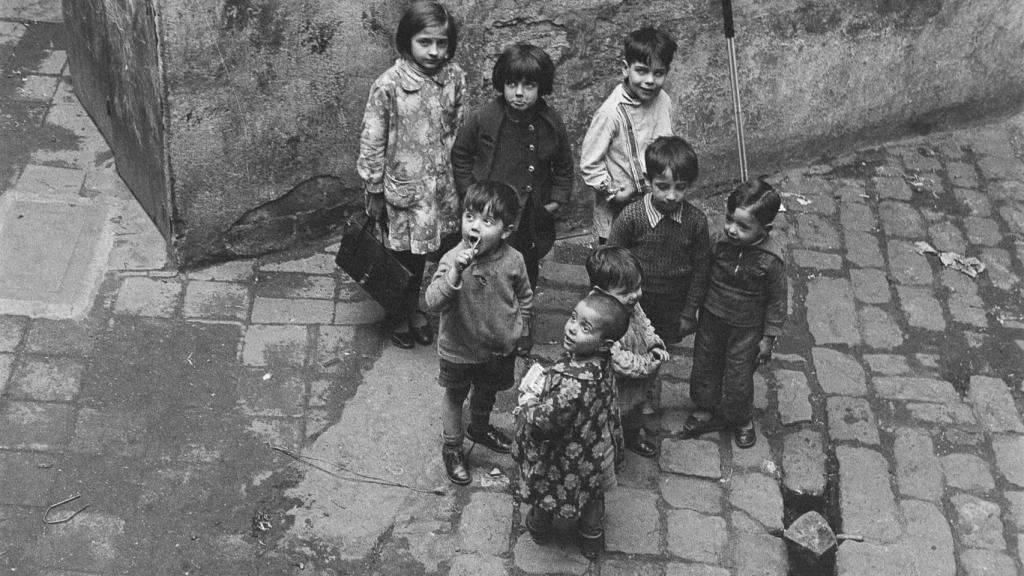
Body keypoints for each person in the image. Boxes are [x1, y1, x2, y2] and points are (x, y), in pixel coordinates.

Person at [357, 1, 465, 350]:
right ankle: (398, 313)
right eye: (425, 42)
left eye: (441, 43)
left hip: (441, 189)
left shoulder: (455, 78)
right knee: (401, 255)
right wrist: (373, 186)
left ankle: (417, 308)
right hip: (404, 191)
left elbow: (459, 130)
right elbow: (372, 138)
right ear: (407, 41)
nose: (434, 51)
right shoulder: (389, 85)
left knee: (425, 253)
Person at [425, 181, 533, 485]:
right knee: (455, 394)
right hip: (459, 348)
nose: (475, 226)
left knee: (488, 389)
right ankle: (453, 446)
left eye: (488, 221)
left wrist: (522, 327)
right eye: (470, 216)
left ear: (506, 231)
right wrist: (455, 274)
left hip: (498, 348)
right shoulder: (451, 259)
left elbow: (524, 295)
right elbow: (433, 303)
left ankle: (480, 426)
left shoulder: (514, 260)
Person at [512, 291, 630, 559]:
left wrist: (529, 401)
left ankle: (539, 526)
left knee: (547, 491)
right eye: (574, 318)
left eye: (585, 327)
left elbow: (544, 421)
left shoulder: (572, 384)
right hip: (598, 445)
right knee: (593, 496)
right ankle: (591, 538)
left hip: (565, 456)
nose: (572, 328)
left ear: (604, 343)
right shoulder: (602, 361)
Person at [450, 43, 574, 290]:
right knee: (484, 259)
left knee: (525, 263)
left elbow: (564, 165)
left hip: (529, 212)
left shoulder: (551, 123)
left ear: (541, 87)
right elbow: (460, 154)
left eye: (529, 86)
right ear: (502, 84)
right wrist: (470, 192)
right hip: (491, 209)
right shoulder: (483, 118)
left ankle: (522, 310)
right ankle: (483, 306)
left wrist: (555, 202)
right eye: (512, 84)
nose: (519, 93)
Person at [682, 179, 786, 449]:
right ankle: (705, 407)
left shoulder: (772, 260)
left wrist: (768, 338)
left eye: (743, 226)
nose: (732, 230)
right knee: (705, 365)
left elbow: (777, 301)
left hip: (746, 329)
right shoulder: (718, 242)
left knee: (739, 376)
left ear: (765, 229)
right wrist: (690, 310)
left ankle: (742, 419)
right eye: (729, 220)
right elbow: (701, 275)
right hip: (711, 319)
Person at [606, 135, 709, 345]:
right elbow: (610, 258)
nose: (671, 196)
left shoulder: (696, 222)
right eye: (663, 186)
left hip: (673, 303)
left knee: (660, 347)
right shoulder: (632, 216)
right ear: (647, 180)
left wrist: (689, 312)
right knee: (629, 344)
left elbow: (701, 269)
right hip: (635, 299)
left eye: (680, 187)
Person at [580, 26, 677, 245]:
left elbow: (668, 144)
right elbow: (589, 163)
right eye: (642, 71)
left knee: (652, 254)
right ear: (626, 69)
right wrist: (613, 193)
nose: (650, 80)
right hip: (618, 208)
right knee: (616, 262)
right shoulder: (611, 113)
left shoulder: (664, 101)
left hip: (655, 202)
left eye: (658, 73)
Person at [586, 246, 669, 459]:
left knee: (634, 413)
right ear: (599, 293)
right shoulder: (599, 321)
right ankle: (605, 449)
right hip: (615, 387)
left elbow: (644, 324)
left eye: (638, 287)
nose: (635, 296)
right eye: (625, 292)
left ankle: (632, 437)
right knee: (611, 417)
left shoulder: (632, 305)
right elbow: (618, 360)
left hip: (637, 383)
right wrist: (649, 363)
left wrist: (654, 343)